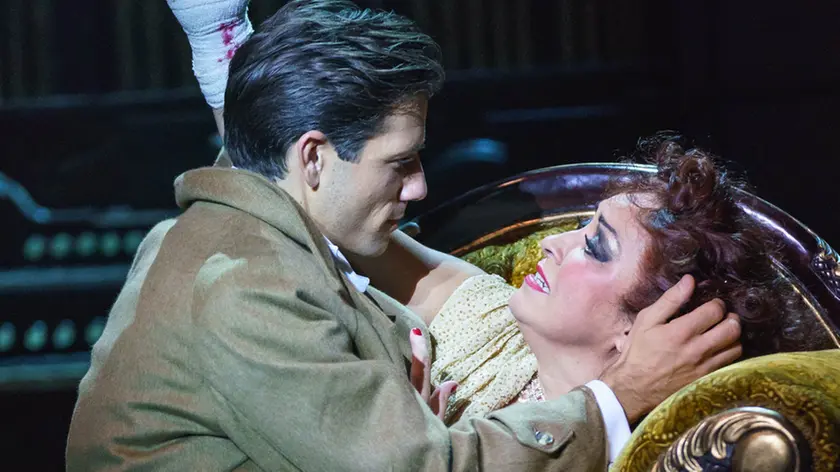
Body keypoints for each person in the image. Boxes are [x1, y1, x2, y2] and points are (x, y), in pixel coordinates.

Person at [65, 1, 742, 470]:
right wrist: (615, 399)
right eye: (399, 161)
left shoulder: (241, 230)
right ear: (312, 158)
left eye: (594, 244)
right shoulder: (249, 284)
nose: (419, 187)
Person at [352, 134, 826, 425]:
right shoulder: (490, 322)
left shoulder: (640, 448)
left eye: (595, 246)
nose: (551, 243)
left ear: (652, 328)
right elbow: (345, 224)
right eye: (583, 226)